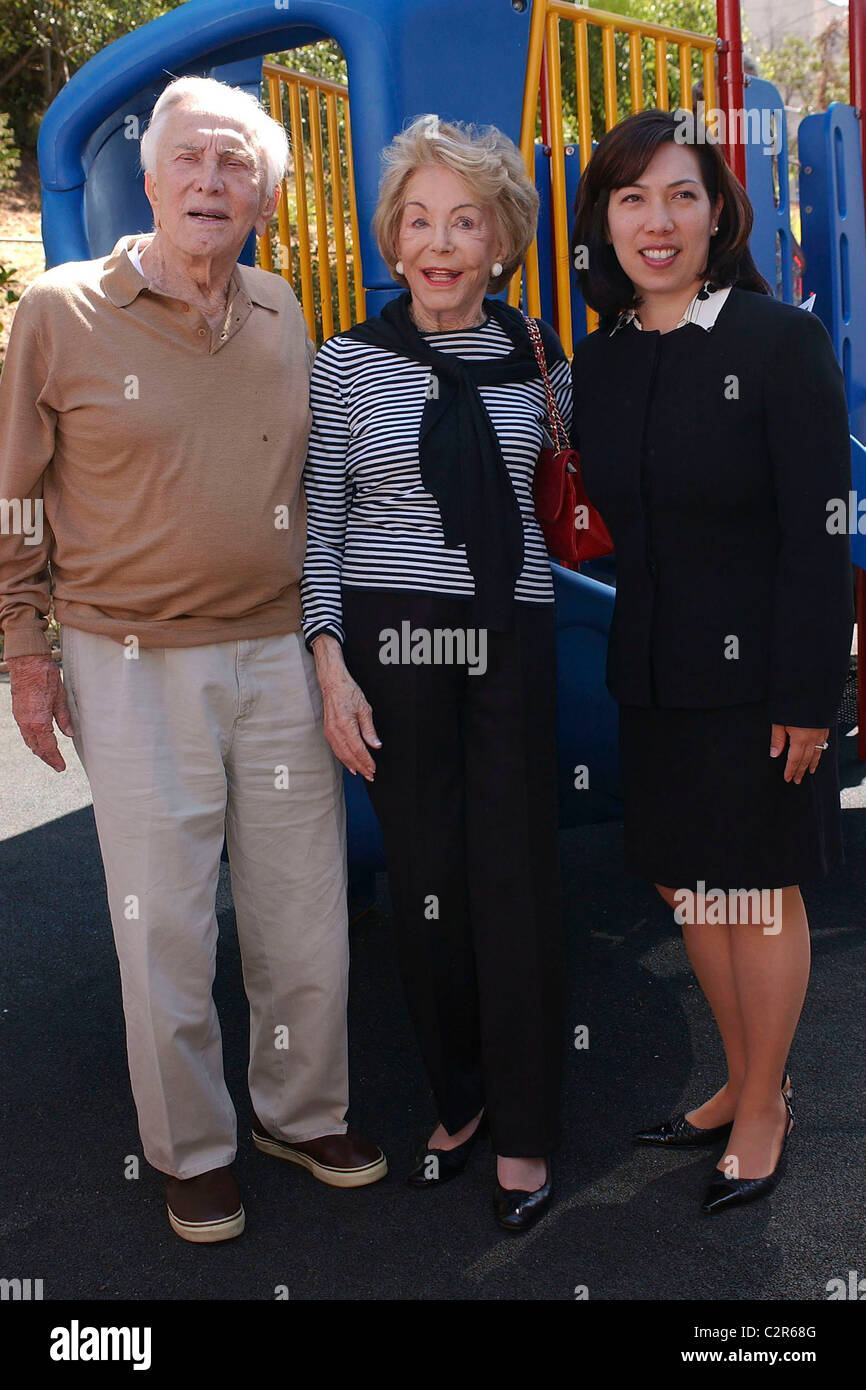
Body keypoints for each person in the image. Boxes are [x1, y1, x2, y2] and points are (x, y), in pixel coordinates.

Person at [0, 75, 385, 1244]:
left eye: (237, 168)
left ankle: (300, 1108)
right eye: (191, 162)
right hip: (132, 662)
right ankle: (192, 1148)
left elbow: (314, 490)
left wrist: (326, 645)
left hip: (275, 653)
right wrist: (24, 646)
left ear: (263, 195)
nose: (212, 183)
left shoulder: (279, 308)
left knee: (300, 908)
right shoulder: (62, 309)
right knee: (162, 919)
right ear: (152, 177)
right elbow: (14, 499)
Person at [569, 109, 853, 1213]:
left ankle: (765, 1103)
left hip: (755, 683)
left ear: (717, 214)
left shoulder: (775, 343)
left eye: (680, 194)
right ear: (603, 219)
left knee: (751, 885)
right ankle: (736, 1078)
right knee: (686, 881)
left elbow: (817, 529)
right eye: (631, 197)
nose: (656, 218)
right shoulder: (600, 359)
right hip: (649, 672)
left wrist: (803, 695)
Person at [300, 114, 570, 1233]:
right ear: (392, 238)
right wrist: (328, 663)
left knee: (511, 873)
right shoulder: (345, 361)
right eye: (417, 220)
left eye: (462, 220)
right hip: (388, 641)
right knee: (425, 879)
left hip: (506, 634)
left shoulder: (540, 355)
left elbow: (579, 481)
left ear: (498, 236)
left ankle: (524, 1127)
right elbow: (320, 522)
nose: (438, 242)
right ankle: (455, 1101)